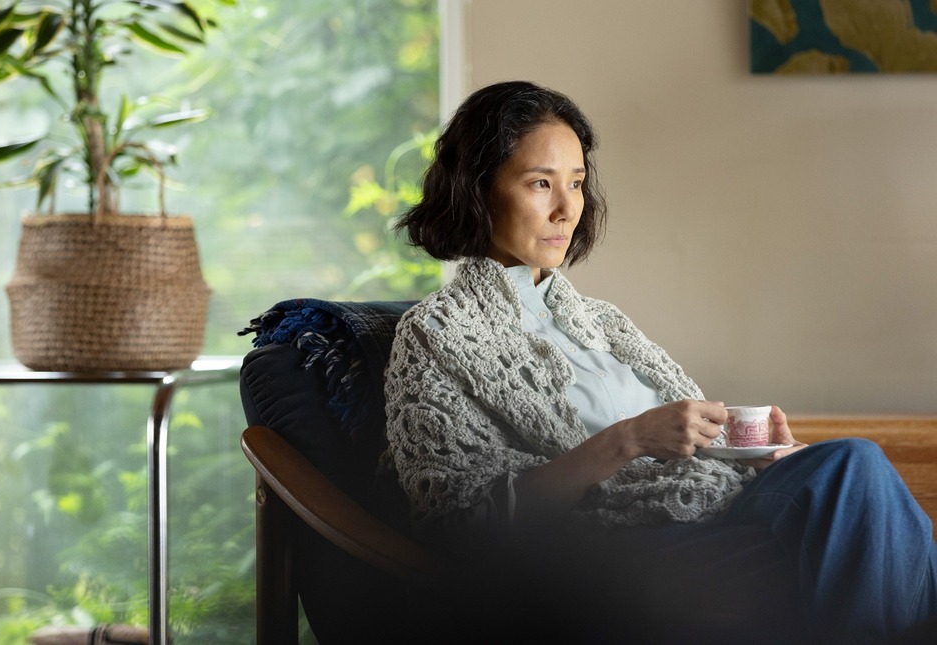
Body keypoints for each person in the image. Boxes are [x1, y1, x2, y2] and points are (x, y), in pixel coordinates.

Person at [381, 80, 937, 643]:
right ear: (477, 189)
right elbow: (460, 526)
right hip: (617, 545)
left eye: (576, 183)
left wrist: (755, 454)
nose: (566, 208)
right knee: (871, 508)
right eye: (540, 183)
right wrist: (628, 439)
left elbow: (688, 441)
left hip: (713, 504)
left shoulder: (603, 321)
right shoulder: (435, 334)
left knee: (851, 472)